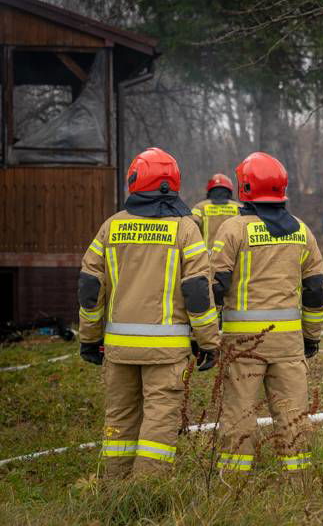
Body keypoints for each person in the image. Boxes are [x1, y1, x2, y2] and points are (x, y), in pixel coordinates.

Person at [77, 147, 220, 478]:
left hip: (118, 348)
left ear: (134, 181)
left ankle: (116, 492)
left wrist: (89, 338)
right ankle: (145, 494)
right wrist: (208, 341)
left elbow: (89, 288)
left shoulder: (110, 227)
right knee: (160, 418)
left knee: (120, 419)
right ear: (173, 184)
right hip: (166, 351)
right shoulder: (185, 229)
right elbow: (198, 291)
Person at [210, 152, 323, 473]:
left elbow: (215, 286)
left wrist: (204, 336)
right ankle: (298, 477)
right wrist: (310, 338)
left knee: (239, 413)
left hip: (244, 343)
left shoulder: (232, 230)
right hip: (289, 344)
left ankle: (232, 480)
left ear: (244, 187)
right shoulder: (301, 231)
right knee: (292, 414)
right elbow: (316, 290)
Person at [190, 173, 242, 250]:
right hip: (233, 256)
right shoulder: (239, 208)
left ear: (209, 190)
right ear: (229, 190)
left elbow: (189, 227)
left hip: (207, 257)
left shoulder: (200, 207)